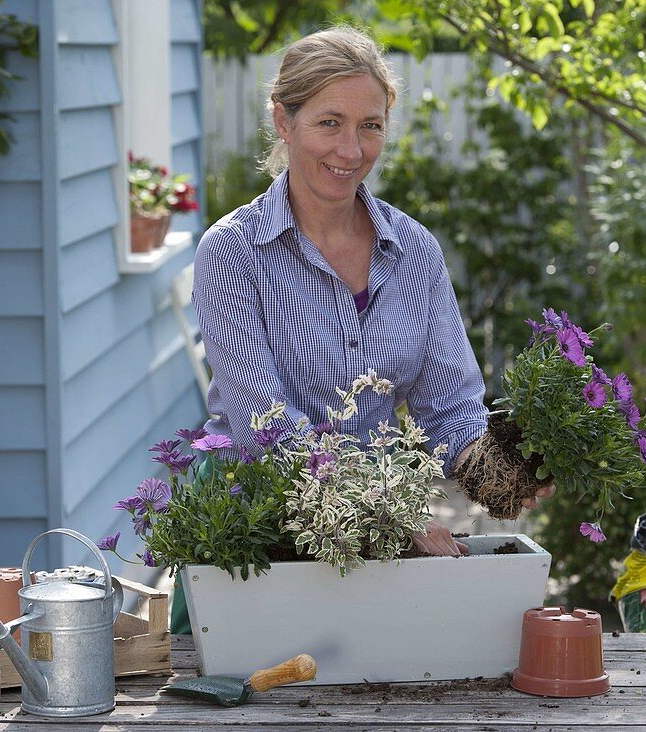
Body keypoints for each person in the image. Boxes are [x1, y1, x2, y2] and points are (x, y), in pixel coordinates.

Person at [192, 26, 553, 557]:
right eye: (329, 123)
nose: (351, 149)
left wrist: (501, 471)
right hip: (254, 538)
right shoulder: (233, 254)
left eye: (370, 126)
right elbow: (264, 429)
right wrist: (385, 513)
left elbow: (450, 406)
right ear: (282, 121)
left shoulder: (414, 253)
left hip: (378, 540)